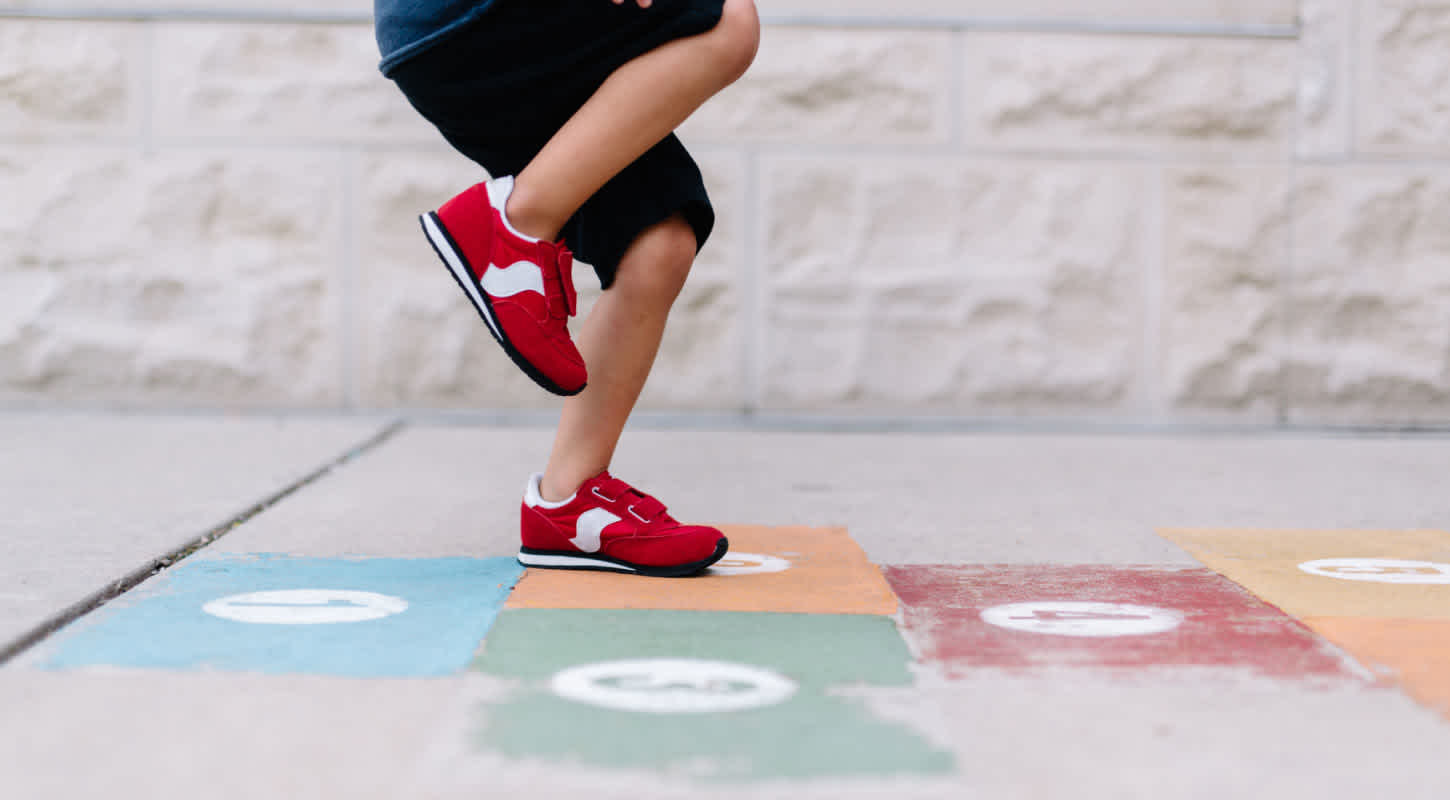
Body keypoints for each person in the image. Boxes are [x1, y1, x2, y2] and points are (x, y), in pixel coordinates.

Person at [374, 0, 760, 577]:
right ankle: (514, 228)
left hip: (472, 44)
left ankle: (566, 505)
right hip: (460, 21)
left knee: (657, 244)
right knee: (729, 22)